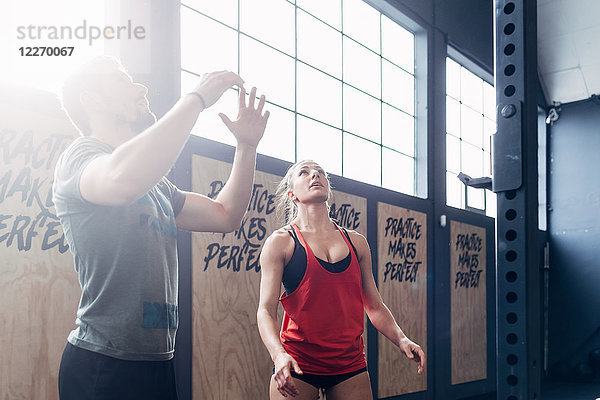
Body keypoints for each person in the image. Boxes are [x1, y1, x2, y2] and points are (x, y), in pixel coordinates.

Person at [53, 55, 270, 400]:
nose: (140, 87)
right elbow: (121, 180)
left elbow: (225, 215)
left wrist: (246, 146)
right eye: (122, 80)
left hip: (157, 361)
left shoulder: (156, 185)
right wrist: (195, 99)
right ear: (91, 100)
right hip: (103, 364)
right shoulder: (80, 158)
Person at [257, 160, 425, 399]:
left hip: (349, 364)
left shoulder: (356, 242)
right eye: (304, 172)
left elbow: (374, 306)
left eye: (320, 172)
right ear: (291, 194)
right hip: (297, 361)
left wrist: (401, 338)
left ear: (327, 186)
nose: (314, 174)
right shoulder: (281, 242)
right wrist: (278, 355)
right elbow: (265, 310)